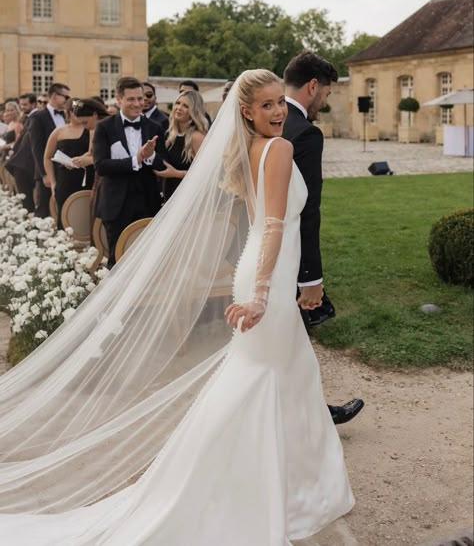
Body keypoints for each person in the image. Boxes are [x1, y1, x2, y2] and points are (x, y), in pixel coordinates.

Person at [0, 69, 353, 544]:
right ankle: (235, 486)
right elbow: (271, 226)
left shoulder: (248, 149)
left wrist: (271, 280)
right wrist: (263, 292)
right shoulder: (279, 148)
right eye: (266, 105)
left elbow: (264, 226)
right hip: (263, 278)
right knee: (260, 378)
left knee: (285, 375)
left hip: (264, 271)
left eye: (278, 104)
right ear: (246, 110)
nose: (276, 113)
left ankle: (289, 485)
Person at [283, 50, 364, 424]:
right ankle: (307, 416)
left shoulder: (259, 122)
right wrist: (311, 277)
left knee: (278, 343)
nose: (325, 103)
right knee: (292, 342)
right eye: (327, 94)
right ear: (313, 86)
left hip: (253, 249)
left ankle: (307, 410)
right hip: (286, 253)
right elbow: (307, 209)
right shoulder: (305, 133)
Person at [92, 76, 166, 268]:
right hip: (115, 203)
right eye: (131, 99)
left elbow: (161, 164)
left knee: (147, 261)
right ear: (119, 100)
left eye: (140, 99)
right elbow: (101, 166)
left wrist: (149, 157)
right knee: (117, 260)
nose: (137, 103)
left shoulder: (155, 127)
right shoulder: (104, 127)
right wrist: (137, 159)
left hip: (147, 202)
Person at [43, 98, 109, 227]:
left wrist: (82, 160)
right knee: (65, 215)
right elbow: (47, 157)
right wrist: (53, 182)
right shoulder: (58, 131)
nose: (78, 117)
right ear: (68, 113)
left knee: (86, 215)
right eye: (74, 112)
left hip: (87, 176)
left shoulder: (91, 128)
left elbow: (92, 152)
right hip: (65, 179)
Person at [155, 89, 207, 202]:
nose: (179, 108)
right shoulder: (169, 134)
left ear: (194, 111)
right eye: (177, 103)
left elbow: (206, 174)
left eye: (185, 106)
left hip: (189, 197)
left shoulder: (197, 137)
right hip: (169, 194)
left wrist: (177, 173)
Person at [29, 82, 71, 217]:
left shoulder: (68, 116)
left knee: (63, 209)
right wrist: (44, 173)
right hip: (47, 170)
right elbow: (37, 147)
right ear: (54, 96)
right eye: (65, 97)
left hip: (65, 169)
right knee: (44, 209)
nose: (67, 100)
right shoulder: (38, 117)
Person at [5, 95, 40, 212]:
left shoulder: (34, 118)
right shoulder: (29, 118)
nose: (23, 107)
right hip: (20, 162)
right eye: (21, 104)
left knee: (29, 201)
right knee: (25, 199)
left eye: (25, 104)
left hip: (27, 164)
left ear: (34, 104)